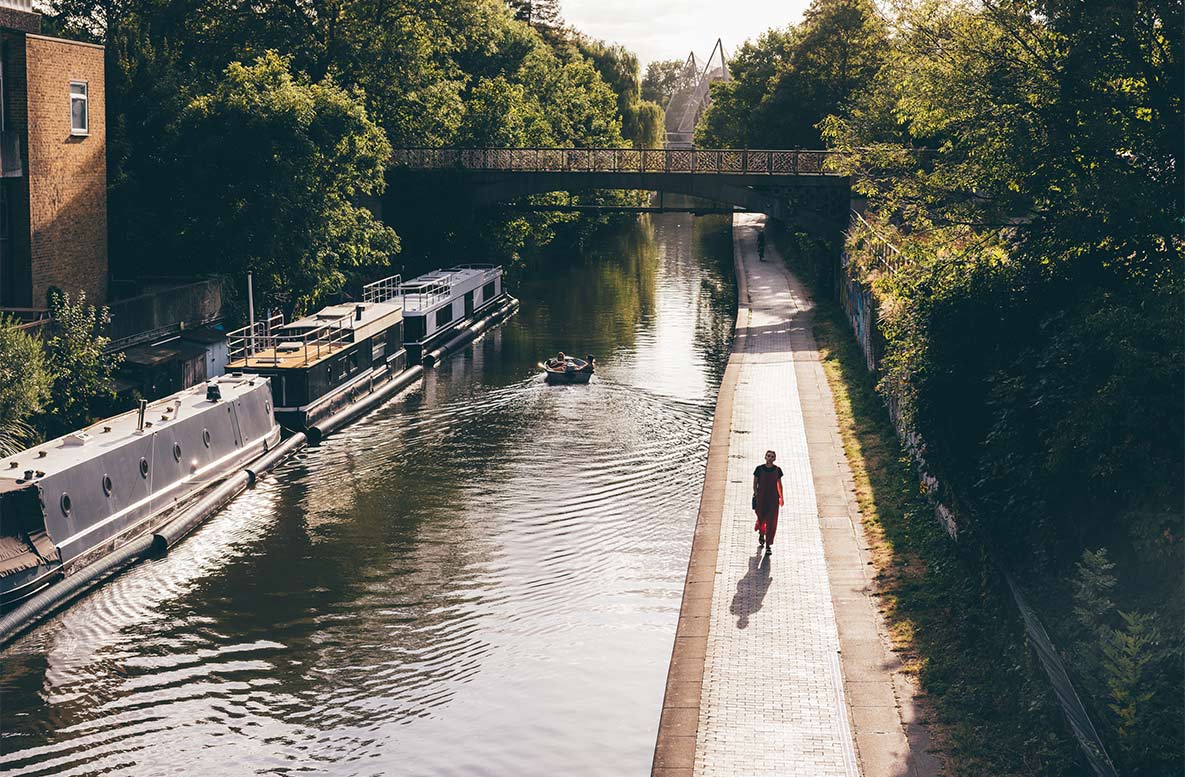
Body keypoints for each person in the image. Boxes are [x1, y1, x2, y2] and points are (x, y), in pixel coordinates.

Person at [752, 450, 784, 553]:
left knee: (772, 522)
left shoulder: (777, 470)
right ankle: (762, 533)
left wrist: (781, 497)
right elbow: (755, 483)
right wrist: (756, 494)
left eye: (772, 456)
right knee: (761, 518)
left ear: (774, 459)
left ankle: (768, 545)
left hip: (773, 499)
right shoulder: (759, 469)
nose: (770, 458)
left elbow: (779, 484)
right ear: (765, 457)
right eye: (768, 456)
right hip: (761, 498)